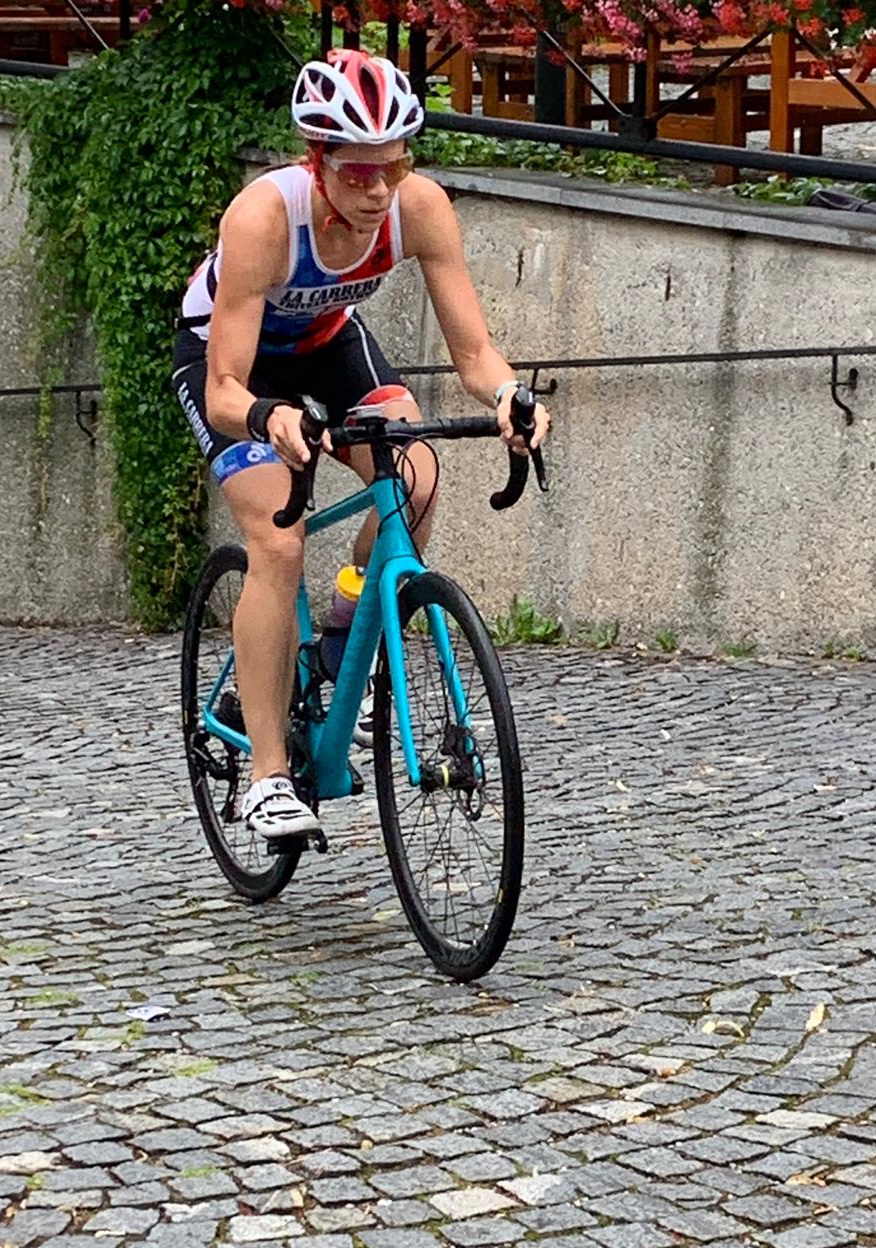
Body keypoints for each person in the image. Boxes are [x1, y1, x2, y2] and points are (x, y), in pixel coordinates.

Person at [173, 47, 550, 840]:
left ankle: (343, 643)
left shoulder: (421, 207)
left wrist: (510, 397)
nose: (380, 190)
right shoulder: (263, 218)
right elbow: (224, 390)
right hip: (233, 364)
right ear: (316, 162)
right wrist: (270, 418)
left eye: (395, 165)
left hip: (326, 342)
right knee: (278, 539)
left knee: (415, 474)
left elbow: (475, 355)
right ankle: (268, 776)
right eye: (358, 173)